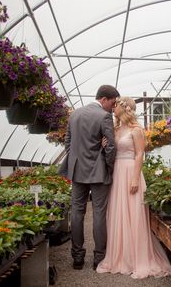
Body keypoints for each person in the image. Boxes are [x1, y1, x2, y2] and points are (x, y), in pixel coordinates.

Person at [96, 96, 171, 278]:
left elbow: (139, 154)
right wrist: (104, 146)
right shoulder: (115, 128)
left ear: (124, 108)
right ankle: (120, 256)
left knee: (133, 215)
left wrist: (135, 178)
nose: (113, 108)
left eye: (116, 106)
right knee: (118, 213)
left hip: (131, 172)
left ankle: (137, 258)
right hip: (117, 174)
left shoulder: (136, 130)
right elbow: (112, 151)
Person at [59, 85, 120, 270]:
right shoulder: (104, 116)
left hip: (77, 171)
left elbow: (67, 143)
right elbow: (110, 148)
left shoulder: (75, 114)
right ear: (103, 99)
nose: (113, 106)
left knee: (77, 213)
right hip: (99, 171)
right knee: (99, 213)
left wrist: (76, 159)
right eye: (112, 102)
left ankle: (77, 258)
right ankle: (99, 259)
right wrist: (109, 168)